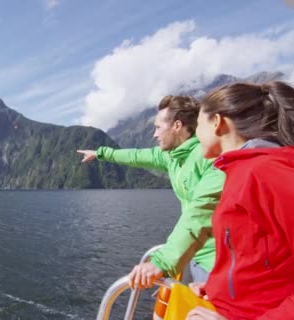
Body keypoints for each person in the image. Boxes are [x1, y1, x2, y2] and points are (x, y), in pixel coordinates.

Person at [187, 81, 294, 320]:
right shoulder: (244, 170)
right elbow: (263, 257)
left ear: (217, 122)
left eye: (198, 124)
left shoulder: (267, 171)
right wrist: (216, 290)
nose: (195, 134)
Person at [77, 95, 225, 286]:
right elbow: (136, 155)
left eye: (157, 127)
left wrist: (163, 262)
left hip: (215, 263)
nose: (154, 134)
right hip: (192, 253)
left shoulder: (208, 156)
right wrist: (100, 153)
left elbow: (201, 213)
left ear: (177, 126)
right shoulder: (171, 156)